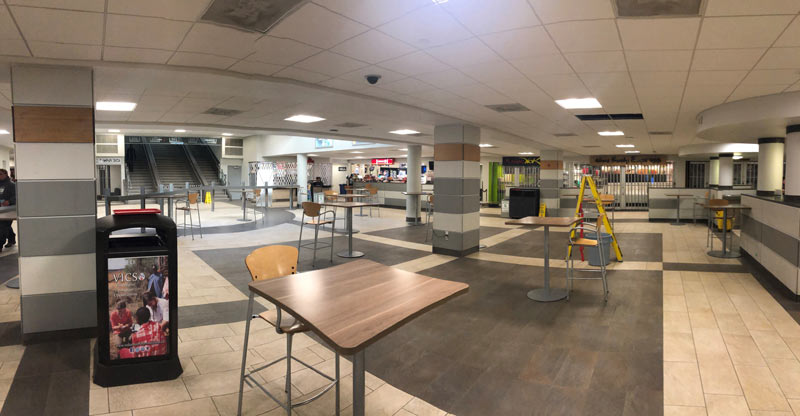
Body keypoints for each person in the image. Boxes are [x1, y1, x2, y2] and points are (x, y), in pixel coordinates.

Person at [0, 169, 16, 251]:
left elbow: (16, 196)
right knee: (5, 225)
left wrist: (9, 201)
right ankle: (12, 239)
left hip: (9, 210)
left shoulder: (11, 185)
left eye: (1, 174)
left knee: (3, 226)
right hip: (1, 210)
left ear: (6, 174)